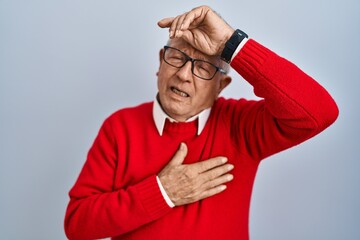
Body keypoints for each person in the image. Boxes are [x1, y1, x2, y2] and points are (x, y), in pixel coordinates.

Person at [64, 5, 338, 240]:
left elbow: (319, 112)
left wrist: (233, 44)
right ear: (160, 62)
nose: (184, 75)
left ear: (222, 86)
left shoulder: (241, 126)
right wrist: (162, 192)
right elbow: (77, 224)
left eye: (204, 68)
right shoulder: (120, 126)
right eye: (176, 57)